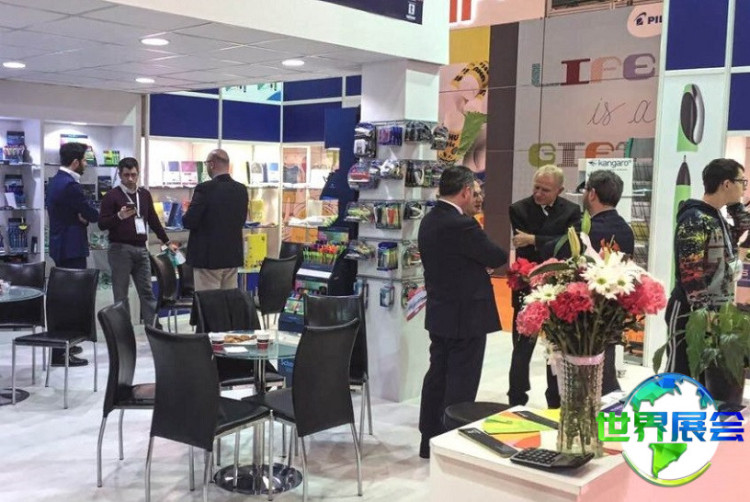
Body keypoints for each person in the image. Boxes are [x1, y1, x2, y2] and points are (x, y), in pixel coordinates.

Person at [417, 165, 507, 459]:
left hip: (441, 313)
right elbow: (496, 255)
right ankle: (451, 443)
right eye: (475, 193)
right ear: (466, 191)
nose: (478, 199)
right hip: (467, 317)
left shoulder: (429, 220)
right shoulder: (462, 225)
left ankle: (429, 440)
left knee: (437, 377)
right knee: (461, 382)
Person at [667, 158, 750, 375]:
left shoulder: (716, 217)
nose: (744, 188)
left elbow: (744, 226)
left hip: (713, 310)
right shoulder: (694, 218)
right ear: (727, 184)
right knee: (680, 373)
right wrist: (703, 312)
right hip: (690, 312)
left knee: (704, 376)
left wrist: (735, 206)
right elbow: (690, 272)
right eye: (742, 182)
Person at [508, 164, 581, 408]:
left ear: (559, 190)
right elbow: (554, 245)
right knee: (522, 348)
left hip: (557, 288)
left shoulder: (571, 210)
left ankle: (555, 398)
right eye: (536, 188)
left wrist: (534, 239)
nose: (538, 193)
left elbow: (569, 246)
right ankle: (516, 399)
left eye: (545, 190)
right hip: (526, 285)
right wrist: (551, 242)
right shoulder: (518, 209)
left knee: (556, 347)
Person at [98, 157, 177, 328]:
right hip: (120, 249)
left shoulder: (144, 195)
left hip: (141, 249)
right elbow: (102, 224)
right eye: (126, 175)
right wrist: (119, 216)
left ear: (138, 174)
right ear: (120, 175)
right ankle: (122, 330)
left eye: (134, 175)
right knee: (121, 294)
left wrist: (166, 241)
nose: (130, 179)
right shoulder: (112, 196)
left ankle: (153, 328)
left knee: (147, 291)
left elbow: (153, 221)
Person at [580, 170, 634, 394]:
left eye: (585, 190)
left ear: (592, 193)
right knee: (606, 369)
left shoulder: (586, 231)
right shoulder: (626, 230)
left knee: (591, 378)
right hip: (613, 310)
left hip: (586, 314)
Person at [46, 142, 99, 367]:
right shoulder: (70, 186)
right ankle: (61, 353)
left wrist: (82, 217)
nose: (86, 164)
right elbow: (91, 214)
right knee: (70, 301)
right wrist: (88, 216)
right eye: (85, 160)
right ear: (76, 162)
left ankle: (65, 345)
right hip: (71, 247)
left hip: (62, 245)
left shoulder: (56, 181)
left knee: (64, 299)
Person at [183, 148, 248, 291]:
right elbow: (241, 220)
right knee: (228, 300)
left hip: (208, 259)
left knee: (209, 301)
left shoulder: (204, 189)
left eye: (206, 163)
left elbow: (189, 221)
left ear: (211, 164)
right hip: (232, 257)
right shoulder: (241, 189)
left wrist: (186, 211)